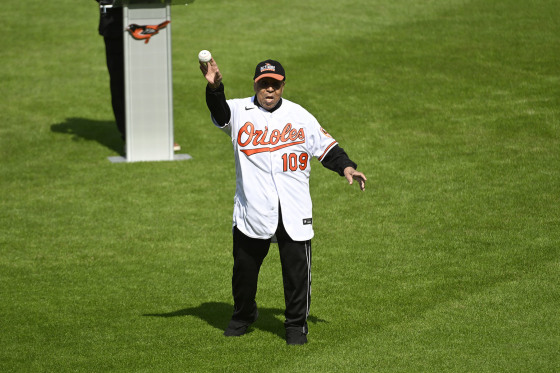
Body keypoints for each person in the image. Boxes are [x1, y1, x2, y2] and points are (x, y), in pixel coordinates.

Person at [200, 58, 366, 345]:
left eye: (274, 84)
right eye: (263, 84)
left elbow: (327, 147)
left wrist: (346, 167)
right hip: (253, 210)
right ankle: (243, 315)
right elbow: (220, 112)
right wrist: (215, 88)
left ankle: (295, 326)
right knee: (244, 274)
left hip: (294, 208)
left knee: (296, 275)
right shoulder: (239, 111)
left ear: (282, 86)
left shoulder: (300, 115)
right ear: (255, 84)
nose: (268, 90)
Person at [95, 0, 180, 151]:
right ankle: (130, 137)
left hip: (150, 17)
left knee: (153, 79)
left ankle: (161, 135)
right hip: (115, 25)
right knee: (120, 82)